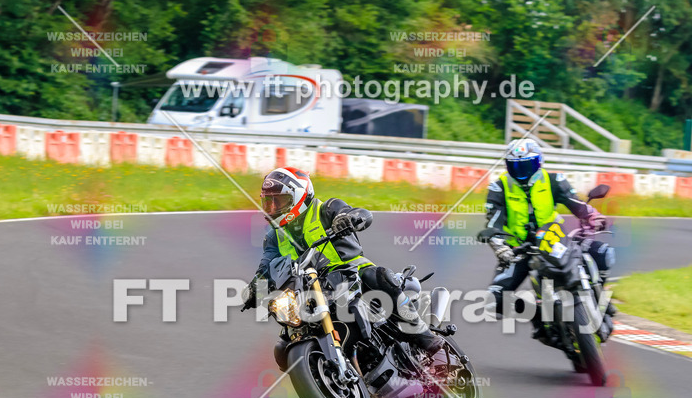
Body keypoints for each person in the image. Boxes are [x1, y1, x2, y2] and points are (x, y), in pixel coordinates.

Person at [242, 167, 443, 353]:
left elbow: (354, 213)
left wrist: (347, 218)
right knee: (284, 344)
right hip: (308, 288)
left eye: (279, 201)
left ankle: (421, 333)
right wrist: (254, 287)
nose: (273, 207)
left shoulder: (326, 209)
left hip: (350, 270)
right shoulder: (273, 237)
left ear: (299, 197)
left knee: (378, 276)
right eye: (269, 202)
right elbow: (266, 266)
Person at [476, 140, 614, 329]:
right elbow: (493, 222)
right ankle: (541, 319)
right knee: (494, 301)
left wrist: (593, 216)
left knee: (603, 253)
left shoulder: (553, 180)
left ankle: (602, 300)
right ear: (507, 165)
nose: (521, 171)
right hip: (520, 249)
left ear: (539, 162)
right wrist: (498, 244)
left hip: (555, 239)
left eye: (527, 165)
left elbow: (576, 204)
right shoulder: (499, 188)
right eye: (515, 166)